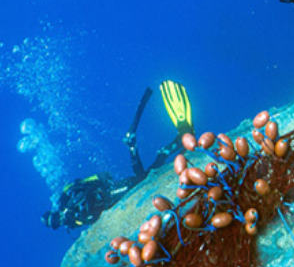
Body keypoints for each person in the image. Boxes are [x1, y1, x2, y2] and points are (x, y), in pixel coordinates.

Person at [41, 80, 194, 229]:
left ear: (55, 212)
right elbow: (93, 218)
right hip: (112, 203)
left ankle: (134, 146)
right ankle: (173, 144)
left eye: (55, 218)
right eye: (56, 224)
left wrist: (99, 187)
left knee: (141, 180)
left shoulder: (67, 198)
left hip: (109, 193)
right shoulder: (73, 222)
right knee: (147, 177)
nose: (59, 220)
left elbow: (89, 185)